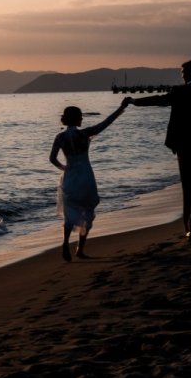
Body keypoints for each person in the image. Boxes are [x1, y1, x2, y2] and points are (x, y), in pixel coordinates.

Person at [130, 60, 191, 242]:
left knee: (187, 187)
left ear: (187, 74)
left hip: (184, 146)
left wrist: (135, 101)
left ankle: (189, 230)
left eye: (182, 72)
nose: (181, 75)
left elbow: (159, 101)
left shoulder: (179, 92)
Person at [50, 99, 131, 262]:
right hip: (86, 176)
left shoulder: (60, 137)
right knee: (87, 211)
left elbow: (52, 159)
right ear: (77, 118)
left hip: (71, 176)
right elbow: (106, 122)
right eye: (80, 116)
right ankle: (80, 249)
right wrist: (121, 107)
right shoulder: (84, 133)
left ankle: (65, 243)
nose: (82, 119)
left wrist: (64, 168)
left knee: (69, 213)